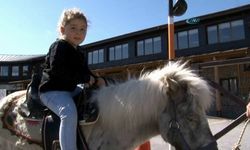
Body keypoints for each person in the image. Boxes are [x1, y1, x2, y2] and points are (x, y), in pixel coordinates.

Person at [39, 8, 105, 150]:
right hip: (52, 91)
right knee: (68, 113)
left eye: (83, 29)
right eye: (73, 28)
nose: (78, 33)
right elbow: (58, 70)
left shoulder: (80, 52)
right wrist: (84, 78)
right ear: (63, 29)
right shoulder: (59, 46)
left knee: (95, 98)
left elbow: (85, 71)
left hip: (70, 89)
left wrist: (97, 79)